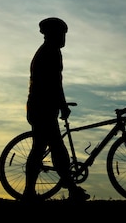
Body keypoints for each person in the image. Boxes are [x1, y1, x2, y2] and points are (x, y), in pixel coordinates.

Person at [22, 17, 89, 202]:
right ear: (52, 34)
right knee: (55, 149)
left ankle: (34, 192)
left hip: (40, 107)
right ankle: (70, 190)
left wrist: (61, 105)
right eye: (62, 33)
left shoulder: (47, 51)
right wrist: (62, 105)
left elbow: (54, 83)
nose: (64, 38)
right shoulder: (50, 52)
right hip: (42, 108)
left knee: (44, 148)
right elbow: (54, 83)